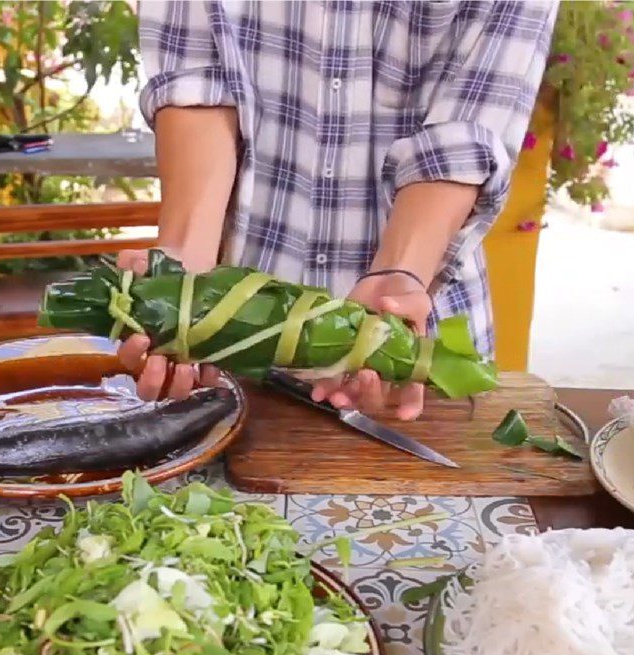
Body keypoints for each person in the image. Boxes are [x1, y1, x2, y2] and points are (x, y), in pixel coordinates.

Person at [118, 0, 557, 419]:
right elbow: (194, 78)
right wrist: (187, 270)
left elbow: (469, 125)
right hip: (233, 339)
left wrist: (399, 276)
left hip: (415, 345)